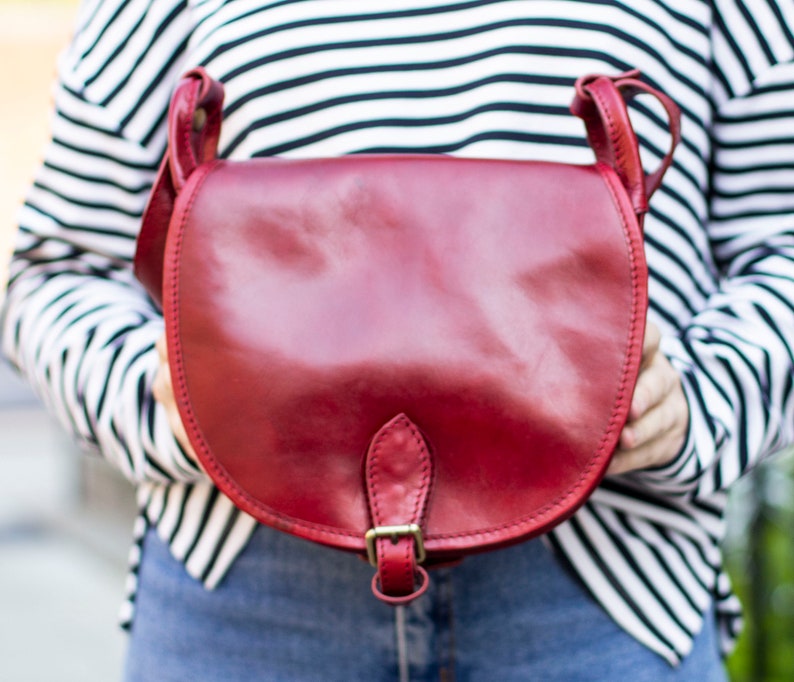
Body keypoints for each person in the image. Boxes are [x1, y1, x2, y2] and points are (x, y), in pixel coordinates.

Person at [3, 1, 794, 680]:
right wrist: (157, 393)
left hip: (605, 585)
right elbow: (54, 269)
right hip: (246, 590)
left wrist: (699, 401)